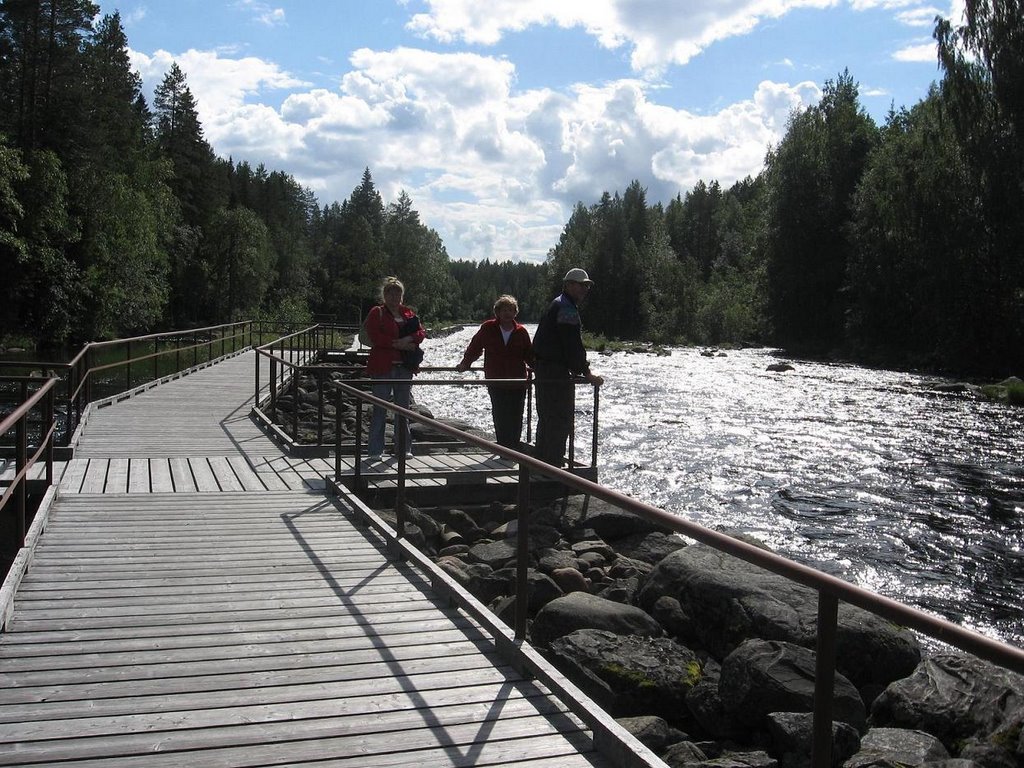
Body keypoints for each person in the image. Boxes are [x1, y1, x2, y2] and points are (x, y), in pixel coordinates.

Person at [530, 268, 604, 467]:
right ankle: (552, 469)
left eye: (587, 286)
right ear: (569, 284)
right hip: (555, 372)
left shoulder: (557, 303)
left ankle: (542, 464)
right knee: (559, 420)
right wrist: (587, 372)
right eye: (581, 285)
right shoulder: (567, 309)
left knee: (546, 418)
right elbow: (572, 345)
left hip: (544, 369)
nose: (585, 289)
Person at [456, 295, 534, 450]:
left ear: (515, 313)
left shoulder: (521, 331)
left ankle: (513, 448)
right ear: (497, 312)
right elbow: (475, 347)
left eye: (511, 310)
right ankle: (503, 448)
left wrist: (541, 369)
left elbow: (529, 355)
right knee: (500, 414)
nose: (507, 313)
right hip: (495, 379)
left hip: (517, 381)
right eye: (504, 310)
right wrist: (466, 363)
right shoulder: (488, 328)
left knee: (516, 416)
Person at [364, 277, 426, 459]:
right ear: (384, 295)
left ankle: (403, 448)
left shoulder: (408, 313)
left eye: (397, 292)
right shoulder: (377, 312)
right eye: (390, 292)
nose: (394, 296)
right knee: (379, 409)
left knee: (403, 409)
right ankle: (375, 450)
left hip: (404, 367)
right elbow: (374, 336)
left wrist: (409, 340)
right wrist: (397, 344)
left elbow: (421, 332)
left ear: (402, 295)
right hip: (382, 367)